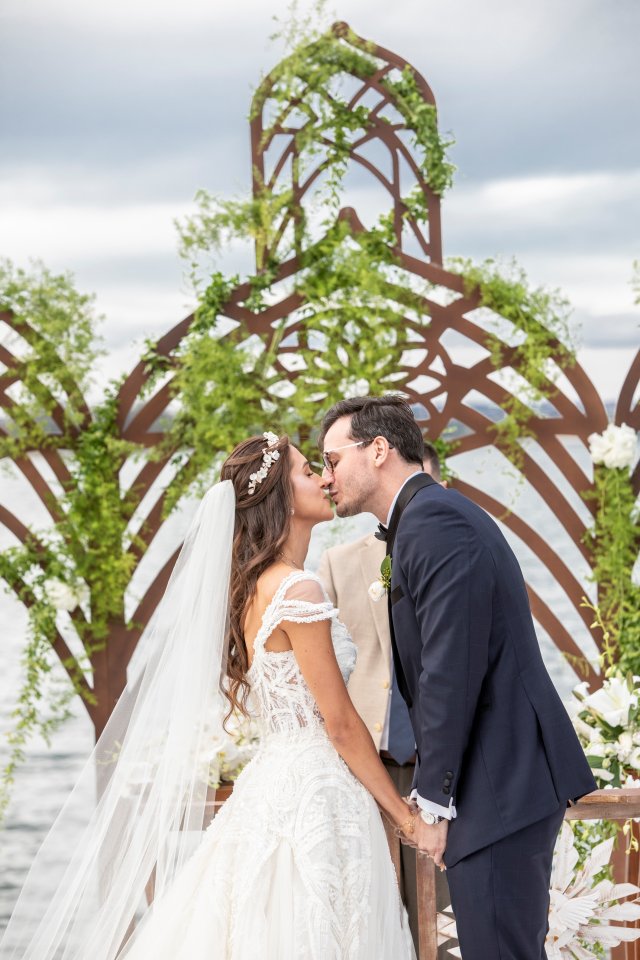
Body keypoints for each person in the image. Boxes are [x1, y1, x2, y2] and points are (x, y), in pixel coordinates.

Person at [1, 433, 416, 960]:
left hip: (273, 783)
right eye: (308, 471)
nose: (324, 478)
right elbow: (338, 724)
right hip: (315, 790)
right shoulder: (296, 589)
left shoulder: (252, 586)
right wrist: (404, 818)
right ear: (280, 497)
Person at [319, 396, 597, 960]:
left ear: (378, 450)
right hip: (498, 782)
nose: (327, 478)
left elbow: (449, 668)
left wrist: (434, 804)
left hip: (498, 785)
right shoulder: (421, 520)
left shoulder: (434, 520)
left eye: (331, 460)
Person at [317, 442, 450, 952]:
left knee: (441, 919)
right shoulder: (338, 563)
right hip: (368, 760)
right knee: (371, 910)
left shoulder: (456, 554)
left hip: (441, 766)